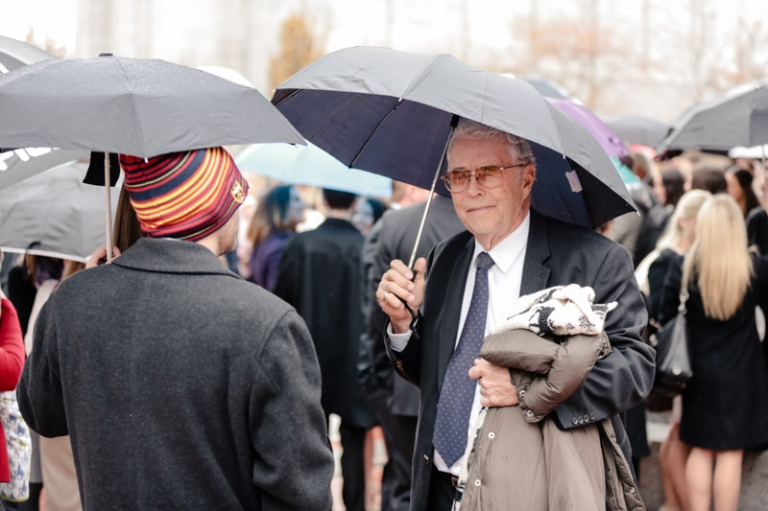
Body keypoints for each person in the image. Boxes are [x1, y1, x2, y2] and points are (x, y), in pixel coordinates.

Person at [17, 147, 335, 510]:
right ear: (216, 206)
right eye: (236, 196)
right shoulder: (268, 323)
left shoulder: (73, 301)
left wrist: (79, 300)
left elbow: (42, 413)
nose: (240, 209)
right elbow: (301, 495)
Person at [377, 119, 655, 510]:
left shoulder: (593, 260)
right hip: (441, 488)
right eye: (458, 176)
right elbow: (437, 374)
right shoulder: (446, 258)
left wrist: (526, 391)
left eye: (487, 173)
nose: (472, 189)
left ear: (527, 179)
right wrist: (402, 325)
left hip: (534, 490)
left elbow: (634, 369)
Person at [657, 194, 768, 511]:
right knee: (730, 453)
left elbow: (664, 314)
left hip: (697, 374)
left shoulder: (682, 268)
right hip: (741, 375)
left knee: (699, 449)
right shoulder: (755, 269)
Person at [360, 186, 464, 511]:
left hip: (404, 391)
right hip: (455, 387)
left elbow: (373, 317)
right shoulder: (477, 225)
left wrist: (378, 382)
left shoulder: (395, 224)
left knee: (405, 488)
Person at [274, 188, 376, 511]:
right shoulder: (365, 247)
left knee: (310, 443)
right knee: (355, 440)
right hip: (353, 358)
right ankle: (356, 506)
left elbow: (280, 302)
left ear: (322, 198)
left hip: (307, 357)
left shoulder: (300, 245)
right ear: (357, 201)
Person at [641, 189, 710, 511]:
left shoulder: (680, 256)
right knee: (678, 432)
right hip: (676, 356)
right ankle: (674, 502)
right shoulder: (670, 257)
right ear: (685, 221)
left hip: (683, 357)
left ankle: (673, 503)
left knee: (676, 431)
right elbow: (657, 312)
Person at [245, 184, 305, 291]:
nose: (302, 205)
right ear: (281, 207)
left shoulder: (268, 240)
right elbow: (277, 294)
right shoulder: (280, 247)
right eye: (296, 200)